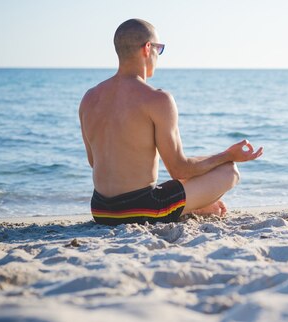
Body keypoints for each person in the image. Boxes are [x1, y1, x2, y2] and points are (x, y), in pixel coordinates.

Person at [79, 18, 263, 225]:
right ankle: (193, 206)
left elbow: (94, 162)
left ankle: (194, 205)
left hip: (101, 210)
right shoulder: (157, 99)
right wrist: (228, 155)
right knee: (229, 171)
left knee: (187, 178)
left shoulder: (89, 98)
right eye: (160, 48)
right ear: (147, 48)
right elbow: (179, 169)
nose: (159, 55)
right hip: (142, 209)